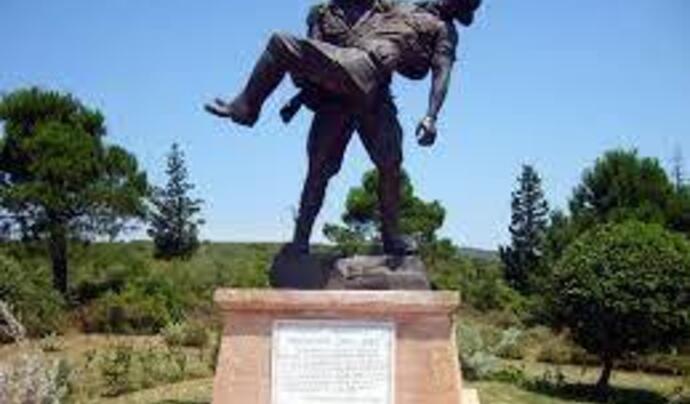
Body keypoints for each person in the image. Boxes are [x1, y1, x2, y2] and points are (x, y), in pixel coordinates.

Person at [206, 0, 481, 254]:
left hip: (368, 82)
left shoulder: (442, 29)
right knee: (318, 170)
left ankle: (391, 237)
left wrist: (431, 116)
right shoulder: (396, 6)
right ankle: (300, 240)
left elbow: (441, 71)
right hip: (339, 91)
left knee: (390, 164)